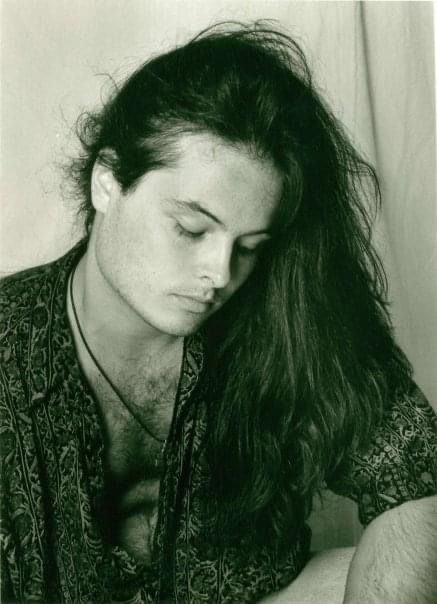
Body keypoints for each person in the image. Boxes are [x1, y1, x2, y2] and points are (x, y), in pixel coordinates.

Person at [1, 22, 436, 604]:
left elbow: (416, 473)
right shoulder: (8, 347)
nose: (220, 272)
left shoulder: (282, 316)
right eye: (191, 228)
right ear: (107, 181)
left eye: (249, 246)